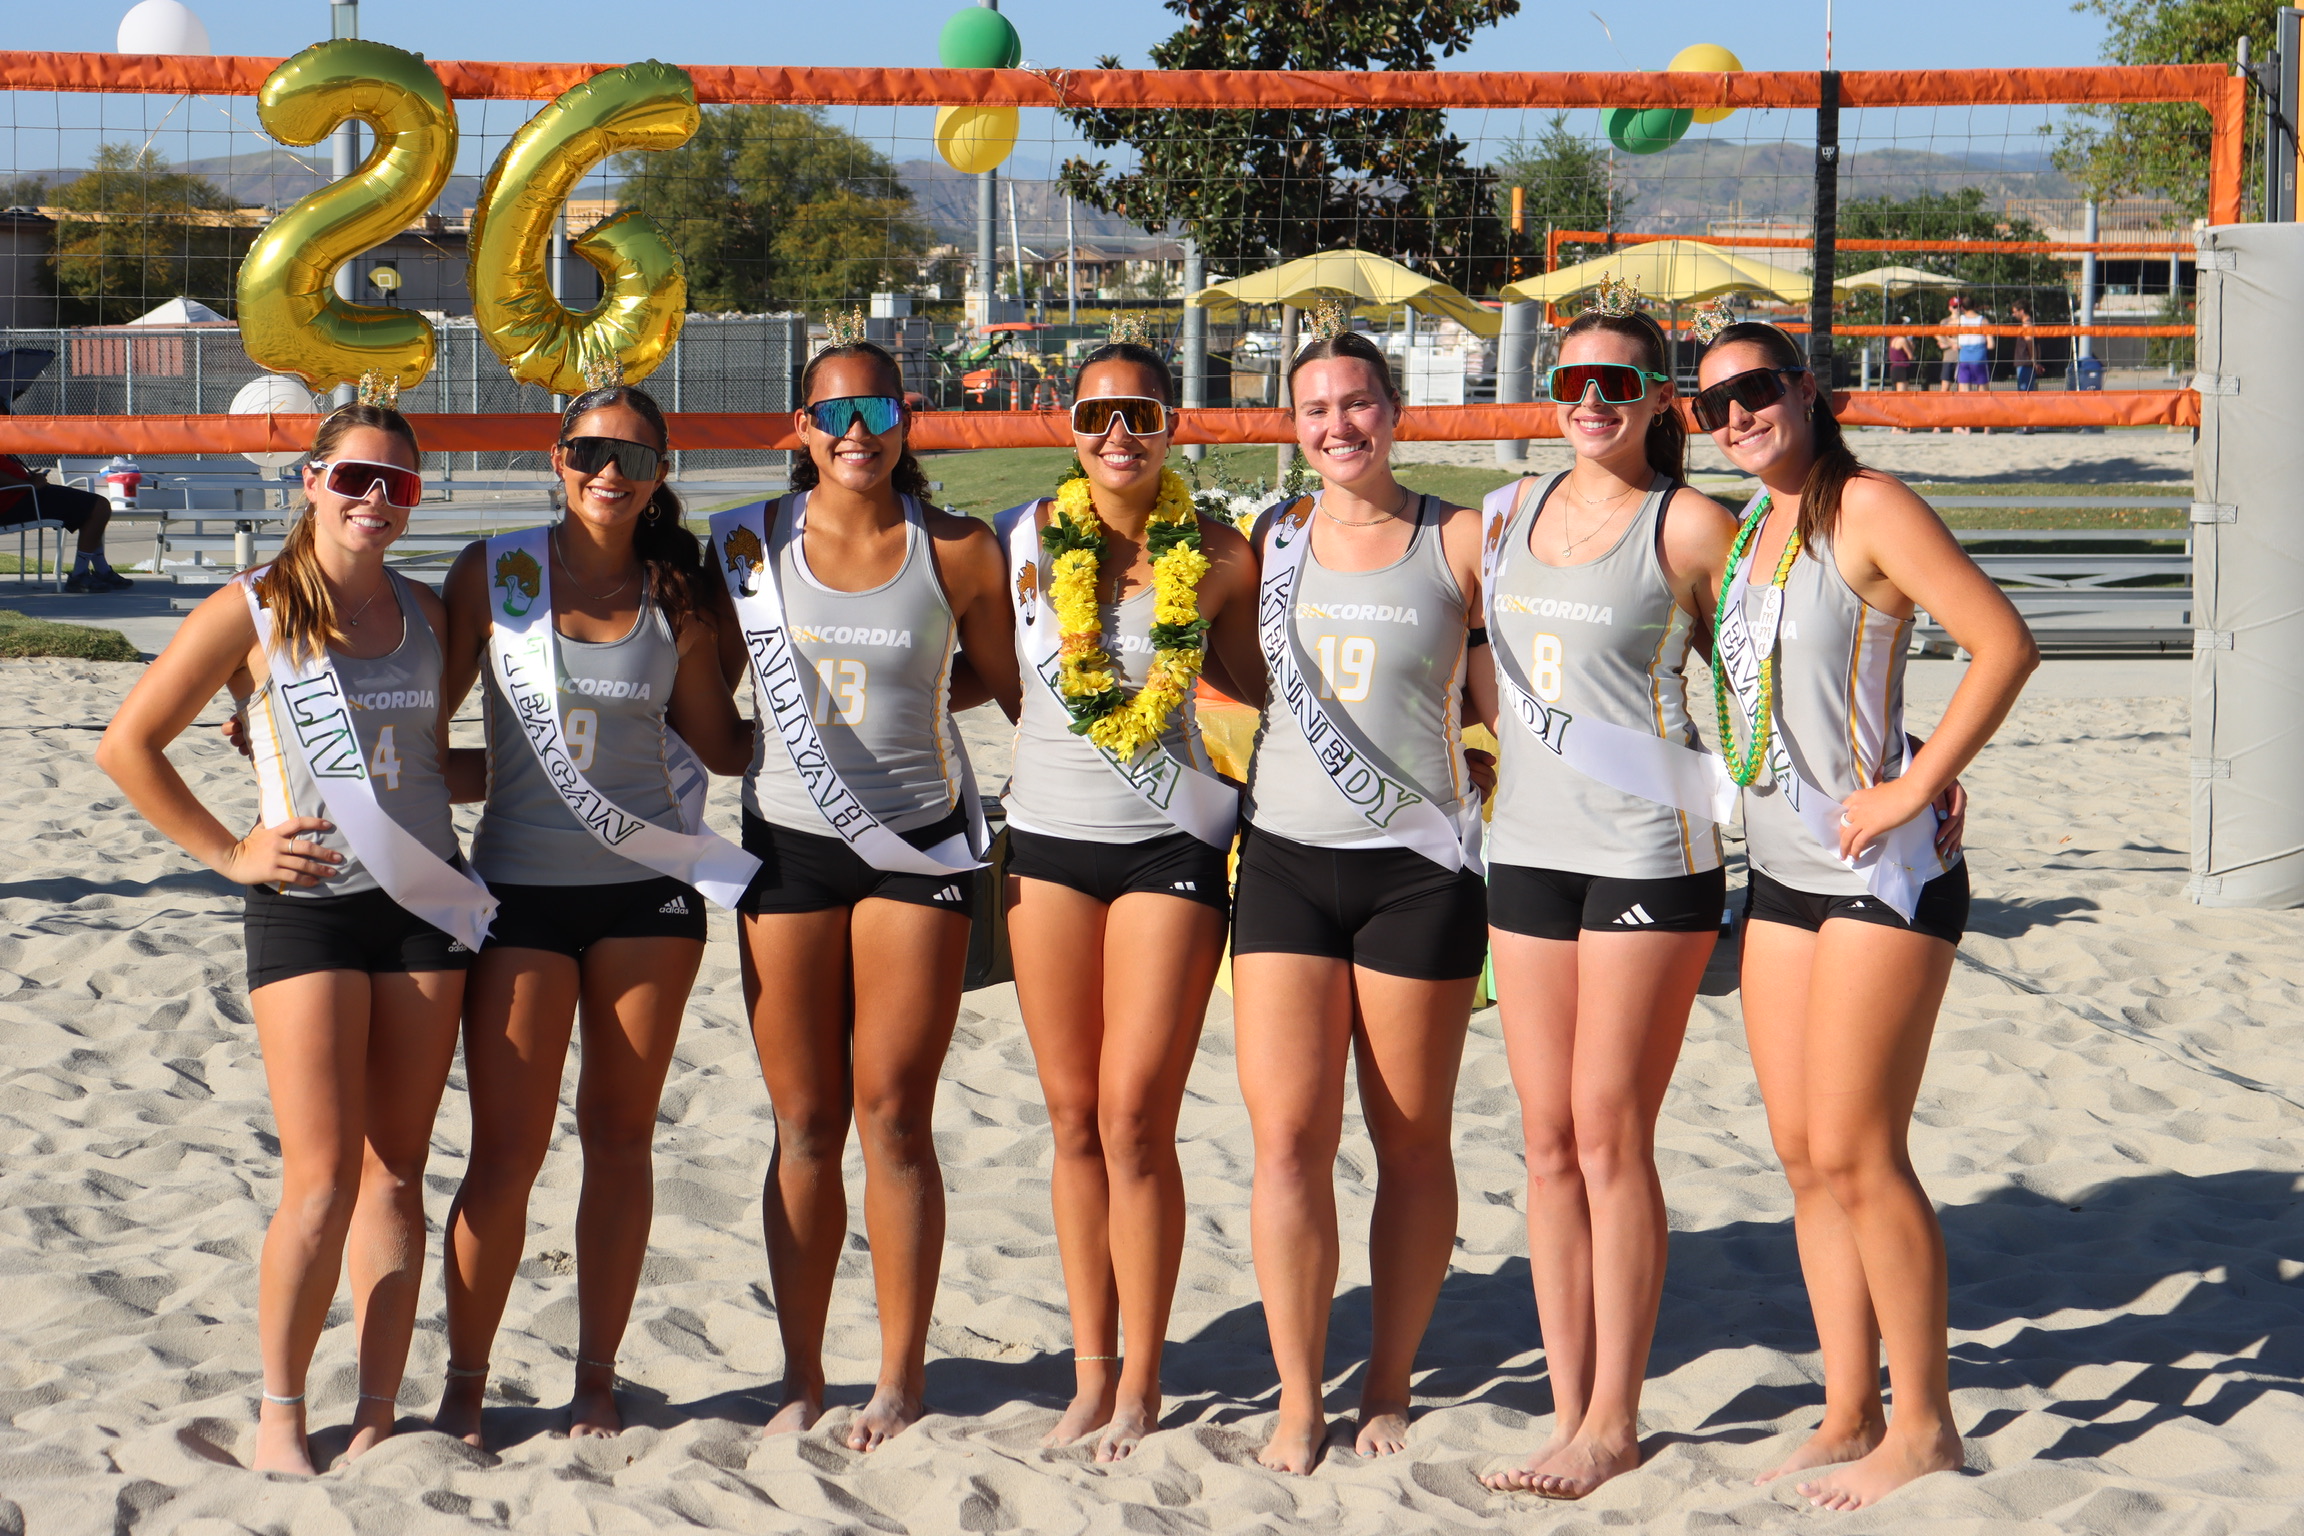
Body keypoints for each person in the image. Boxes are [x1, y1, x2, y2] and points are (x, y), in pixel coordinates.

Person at [97, 401, 486, 1473]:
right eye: (356, 477)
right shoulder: (250, 612)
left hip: (422, 909)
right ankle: (278, 1413)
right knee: (318, 1179)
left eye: (398, 484)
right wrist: (232, 853)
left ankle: (373, 1409)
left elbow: (429, 761)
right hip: (306, 909)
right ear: (309, 481)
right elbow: (127, 746)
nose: (375, 498)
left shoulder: (426, 612)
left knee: (398, 1173)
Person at [1693, 320, 2035, 1510]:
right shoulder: (1751, 526)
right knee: (1800, 1156)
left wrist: (1918, 782)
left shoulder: (1869, 503)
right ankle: (1849, 1410)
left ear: (1806, 389)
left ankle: (1926, 1425)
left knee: (1858, 1150)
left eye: (1753, 389)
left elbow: (2003, 643)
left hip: (1883, 874)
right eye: (1710, 404)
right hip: (1784, 873)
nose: (1733, 416)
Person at [708, 334, 1019, 1451]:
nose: (855, 435)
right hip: (786, 852)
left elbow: (1000, 677)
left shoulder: (962, 549)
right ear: (800, 429)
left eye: (877, 414)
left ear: (907, 421)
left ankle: (898, 1377)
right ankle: (801, 1373)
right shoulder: (742, 541)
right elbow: (702, 692)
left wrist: (921, 706)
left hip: (917, 851)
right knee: (803, 1121)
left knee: (894, 1119)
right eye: (832, 416)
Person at [432, 382, 755, 1446]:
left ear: (663, 470)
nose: (608, 471)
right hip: (520, 891)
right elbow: (416, 732)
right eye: (588, 450)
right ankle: (467, 1382)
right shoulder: (495, 570)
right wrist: (298, 758)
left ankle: (599, 1378)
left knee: (619, 1141)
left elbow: (720, 746)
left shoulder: (682, 590)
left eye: (633, 454)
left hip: (650, 897)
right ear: (555, 458)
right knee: (504, 1156)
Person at [1471, 304, 1742, 1499]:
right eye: (1572, 377)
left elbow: (1791, 664)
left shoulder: (1693, 524)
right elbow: (1478, 665)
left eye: (1617, 381)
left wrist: (1899, 781)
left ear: (1659, 397)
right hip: (1523, 847)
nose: (1591, 398)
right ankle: (1570, 1402)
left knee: (1606, 1132)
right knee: (1543, 1144)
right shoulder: (1506, 513)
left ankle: (1615, 1420)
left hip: (1649, 849)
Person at [1231, 320, 1496, 1475]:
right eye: (1316, 410)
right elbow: (1219, 668)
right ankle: (1300, 1396)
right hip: (1285, 860)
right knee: (1287, 1141)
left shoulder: (1460, 539)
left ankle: (1386, 1381)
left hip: (1417, 875)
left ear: (1397, 412)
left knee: (1408, 1139)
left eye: (1358, 403)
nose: (1339, 425)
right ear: (1294, 430)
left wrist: (1489, 763)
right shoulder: (1267, 539)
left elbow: (1520, 696)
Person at [992, 338, 1263, 1460]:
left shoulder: (1220, 554)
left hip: (1171, 845)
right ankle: (1089, 1371)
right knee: (1069, 1120)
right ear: (1070, 429)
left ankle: (1144, 1381)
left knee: (1134, 1120)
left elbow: (1262, 689)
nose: (1119, 435)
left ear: (1172, 427)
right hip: (1047, 843)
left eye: (1141, 414)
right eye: (1099, 415)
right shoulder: (1023, 538)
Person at [0, 448, 133, 591]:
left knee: (93, 509)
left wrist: (31, 479)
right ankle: (80, 576)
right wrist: (30, 484)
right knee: (99, 507)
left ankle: (101, 570)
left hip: (27, 495)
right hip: (16, 502)